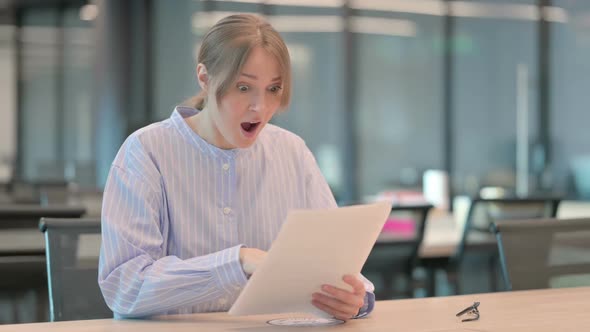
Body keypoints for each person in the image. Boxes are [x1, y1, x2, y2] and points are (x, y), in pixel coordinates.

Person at [98, 13, 375, 321]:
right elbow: (124, 288)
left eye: (273, 89)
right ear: (204, 77)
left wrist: (356, 299)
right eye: (244, 87)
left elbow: (335, 261)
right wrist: (236, 262)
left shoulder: (291, 151)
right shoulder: (146, 152)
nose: (261, 107)